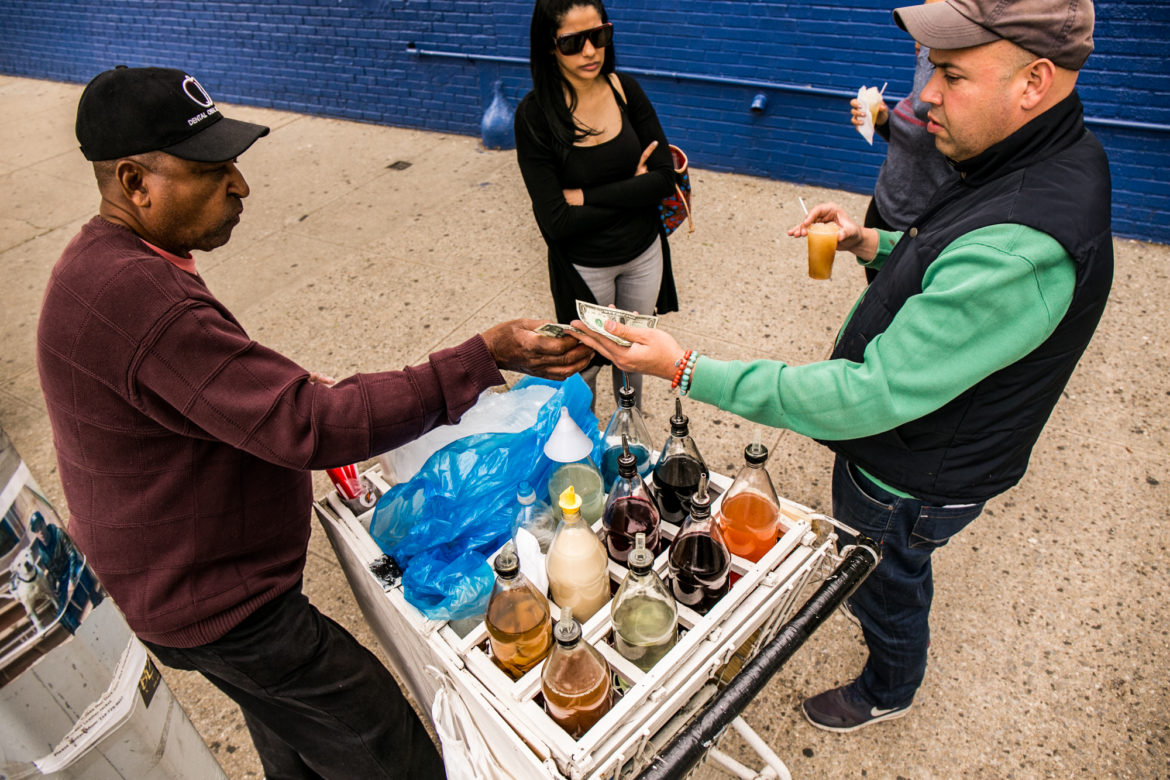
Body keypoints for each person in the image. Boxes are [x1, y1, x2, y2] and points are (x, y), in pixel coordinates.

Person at [570, 0, 1111, 734]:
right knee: (882, 570)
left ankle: (889, 689)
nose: (924, 95)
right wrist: (872, 245)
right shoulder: (1041, 155)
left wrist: (688, 366)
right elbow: (956, 260)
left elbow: (869, 396)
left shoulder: (1025, 240)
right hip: (914, 450)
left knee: (883, 583)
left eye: (952, 74)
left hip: (909, 477)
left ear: (1033, 80)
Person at [36, 66, 592, 779]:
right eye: (211, 170)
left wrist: (281, 398)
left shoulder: (111, 262)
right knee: (386, 746)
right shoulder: (141, 297)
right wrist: (483, 355)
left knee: (290, 733)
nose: (239, 185)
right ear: (135, 182)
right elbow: (311, 425)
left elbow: (216, 387)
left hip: (174, 584)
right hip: (224, 608)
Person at [515, 0, 680, 409]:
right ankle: (582, 448)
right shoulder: (534, 116)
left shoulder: (626, 89)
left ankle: (631, 436)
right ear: (549, 46)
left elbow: (664, 179)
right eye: (572, 42)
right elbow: (557, 221)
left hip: (644, 254)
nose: (590, 51)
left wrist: (586, 197)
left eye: (599, 35)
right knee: (582, 363)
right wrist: (634, 189)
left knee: (634, 358)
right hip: (585, 268)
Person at [849, 0, 956, 283]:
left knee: (895, 303)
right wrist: (884, 121)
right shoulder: (926, 78)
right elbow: (912, 136)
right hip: (884, 206)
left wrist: (927, 51)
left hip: (917, 223)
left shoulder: (940, 90)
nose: (917, 43)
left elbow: (923, 109)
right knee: (874, 292)